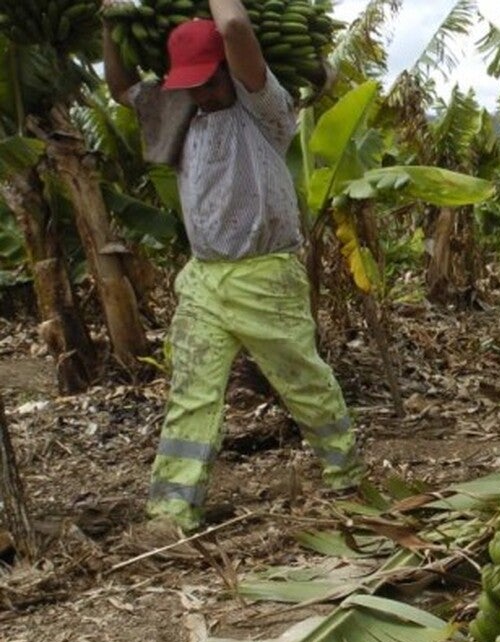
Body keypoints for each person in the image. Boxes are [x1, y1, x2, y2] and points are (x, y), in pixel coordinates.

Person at [102, 0, 362, 538]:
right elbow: (119, 89)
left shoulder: (265, 110)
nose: (202, 91)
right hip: (203, 278)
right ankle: (172, 512)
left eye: (210, 80)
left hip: (265, 274)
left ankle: (345, 475)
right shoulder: (176, 111)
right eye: (191, 83)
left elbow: (236, 26)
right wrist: (109, 23)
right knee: (191, 392)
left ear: (230, 69)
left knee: (302, 380)